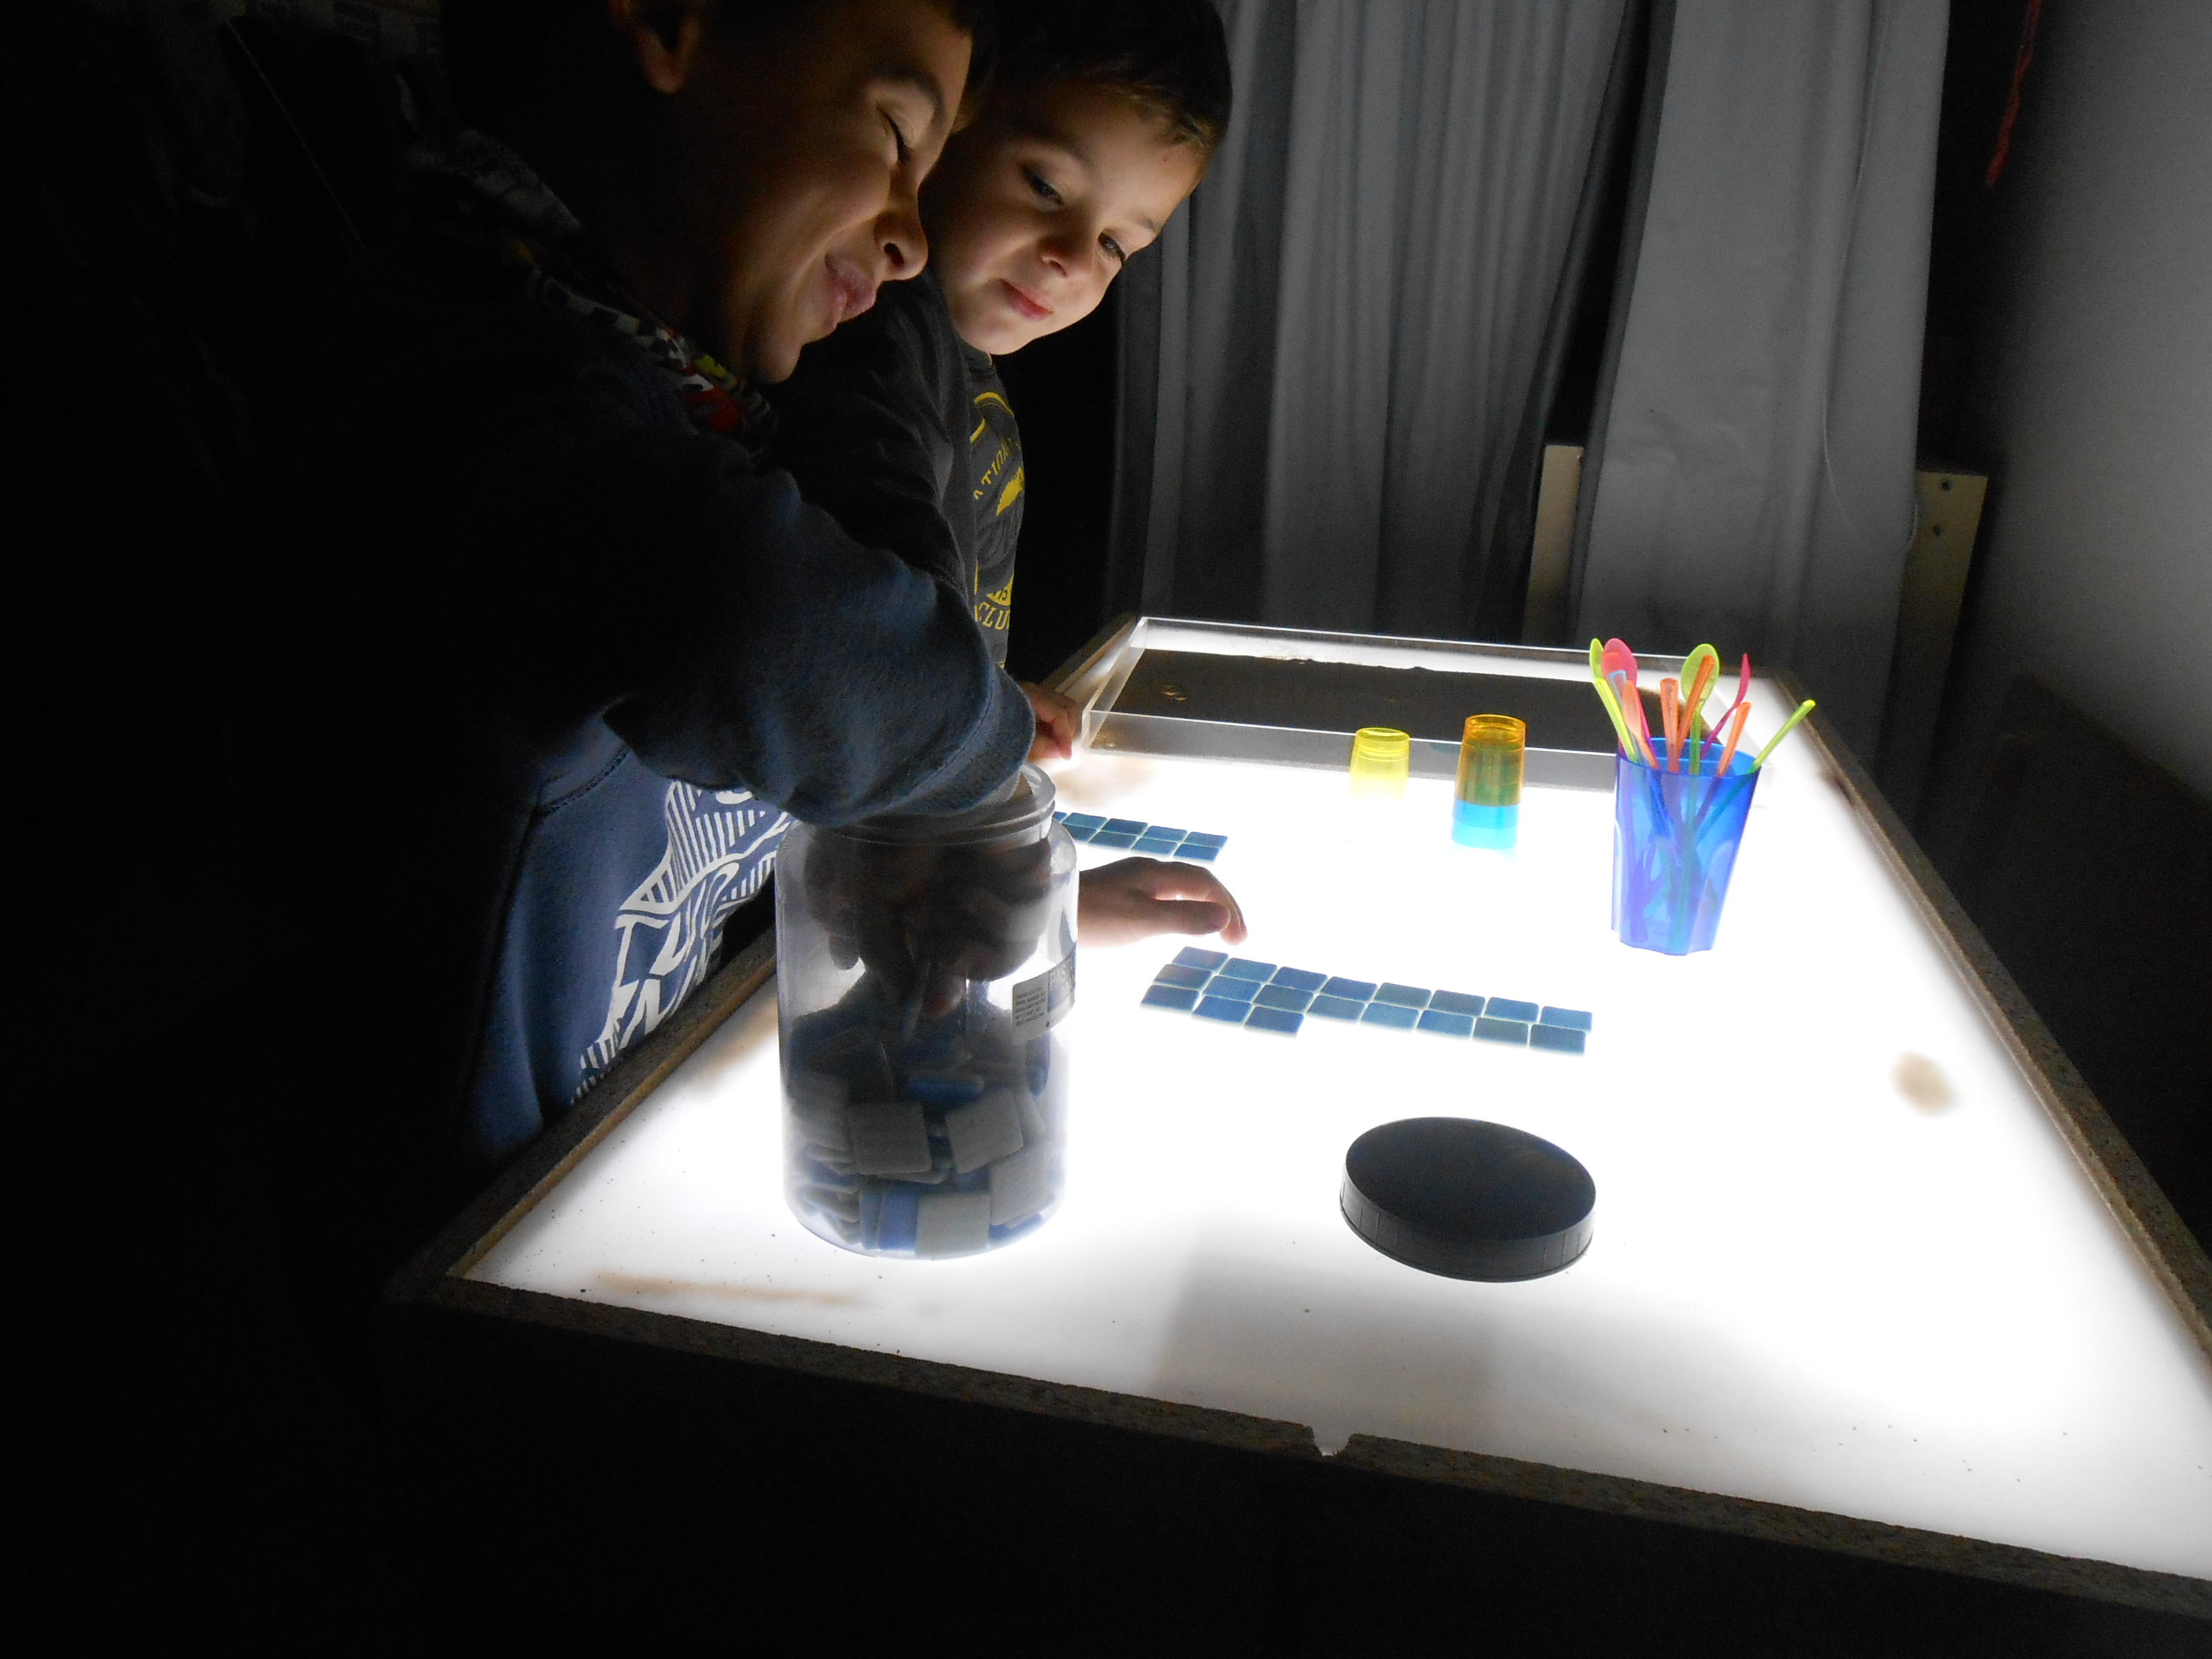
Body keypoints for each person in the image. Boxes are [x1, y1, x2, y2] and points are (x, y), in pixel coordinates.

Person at [252, 0, 1037, 1336]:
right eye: (894, 132)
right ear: (671, 24)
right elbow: (776, 632)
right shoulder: (471, 391)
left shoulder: (679, 391)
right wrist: (984, 780)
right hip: (444, 1299)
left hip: (567, 1223)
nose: (914, 237)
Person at [769, 0, 1242, 947]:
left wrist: (990, 697)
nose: (1071, 259)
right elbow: (890, 664)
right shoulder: (873, 342)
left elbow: (926, 656)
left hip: (912, 878)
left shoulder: (962, 372)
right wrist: (1025, 896)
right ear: (948, 129)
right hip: (851, 905)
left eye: (1116, 245)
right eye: (1045, 186)